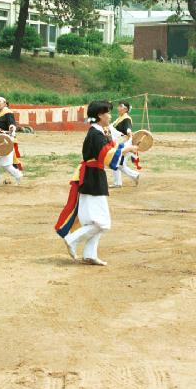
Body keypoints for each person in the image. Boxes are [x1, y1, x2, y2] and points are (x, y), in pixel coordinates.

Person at [55, 100, 139, 266]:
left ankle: (89, 254)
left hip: (91, 176)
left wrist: (126, 146)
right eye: (107, 113)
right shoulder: (96, 134)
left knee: (92, 222)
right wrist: (127, 149)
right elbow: (106, 156)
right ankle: (72, 239)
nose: (110, 115)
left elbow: (111, 149)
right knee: (102, 223)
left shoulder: (99, 131)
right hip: (92, 177)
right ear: (100, 115)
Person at [0, 96, 23, 186]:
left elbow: (11, 123)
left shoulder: (8, 112)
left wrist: (12, 127)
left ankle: (18, 175)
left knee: (6, 164)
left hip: (5, 140)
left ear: (5, 103)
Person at [110, 101, 140, 188]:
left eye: (120, 106)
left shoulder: (126, 118)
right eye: (118, 106)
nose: (118, 108)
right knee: (117, 163)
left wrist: (129, 132)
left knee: (117, 163)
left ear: (125, 109)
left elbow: (128, 128)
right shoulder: (119, 118)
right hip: (119, 144)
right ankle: (119, 182)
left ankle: (134, 175)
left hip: (124, 145)